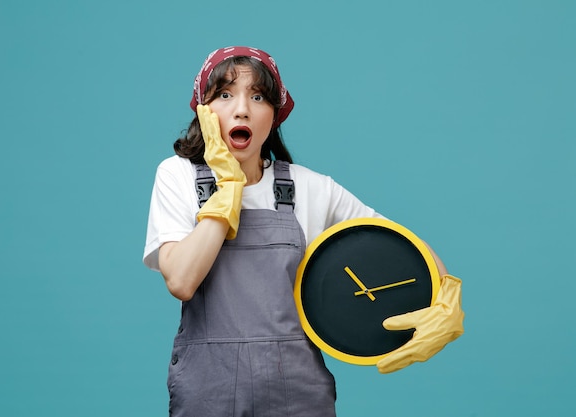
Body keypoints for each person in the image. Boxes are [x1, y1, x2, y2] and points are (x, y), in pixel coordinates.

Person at [143, 46, 464, 416]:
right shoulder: (178, 176)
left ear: (274, 116)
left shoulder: (310, 188)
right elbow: (182, 280)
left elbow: (402, 248)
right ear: (203, 110)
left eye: (258, 96)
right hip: (208, 393)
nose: (242, 108)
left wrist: (446, 297)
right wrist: (227, 191)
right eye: (225, 95)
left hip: (297, 396)